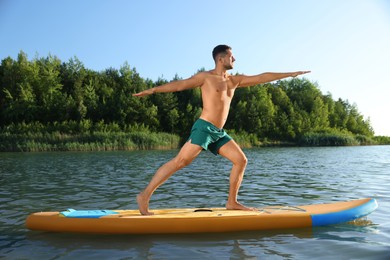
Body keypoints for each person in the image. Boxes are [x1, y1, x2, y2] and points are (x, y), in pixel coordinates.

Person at [133, 44, 310, 215]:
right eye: (231, 56)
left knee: (241, 160)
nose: (234, 58)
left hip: (218, 132)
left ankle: (232, 202)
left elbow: (261, 77)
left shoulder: (234, 81)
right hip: (204, 127)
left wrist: (289, 74)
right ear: (220, 58)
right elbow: (179, 85)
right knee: (180, 161)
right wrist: (153, 90)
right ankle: (144, 195)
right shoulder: (205, 77)